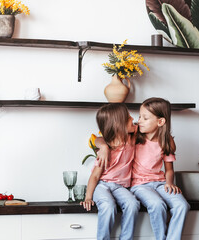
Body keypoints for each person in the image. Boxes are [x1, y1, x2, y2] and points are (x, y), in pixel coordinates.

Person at [130, 97, 190, 240]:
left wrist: (169, 183)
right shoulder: (134, 135)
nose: (139, 121)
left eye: (145, 118)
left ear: (160, 122)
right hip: (139, 185)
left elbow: (169, 169)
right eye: (139, 116)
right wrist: (102, 147)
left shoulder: (167, 140)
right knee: (157, 205)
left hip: (160, 182)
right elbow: (104, 137)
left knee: (182, 206)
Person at [80, 103, 140, 240]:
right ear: (118, 124)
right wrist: (88, 197)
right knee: (108, 206)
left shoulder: (132, 138)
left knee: (133, 204)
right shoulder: (106, 150)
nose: (133, 119)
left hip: (121, 187)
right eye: (129, 117)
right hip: (103, 185)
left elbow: (146, 126)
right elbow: (95, 176)